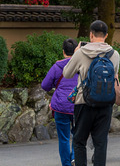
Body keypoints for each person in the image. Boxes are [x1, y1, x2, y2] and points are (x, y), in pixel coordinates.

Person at [64, 20, 120, 166]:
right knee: (101, 142)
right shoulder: (114, 54)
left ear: (90, 34)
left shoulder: (81, 53)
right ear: (106, 35)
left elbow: (67, 74)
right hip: (105, 103)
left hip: (84, 101)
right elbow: (115, 76)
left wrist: (75, 55)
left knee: (79, 141)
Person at [41, 38, 79, 166]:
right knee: (78, 135)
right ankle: (75, 157)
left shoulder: (57, 67)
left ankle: (66, 164)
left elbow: (45, 85)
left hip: (61, 106)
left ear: (63, 52)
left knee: (63, 138)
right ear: (77, 51)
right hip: (78, 105)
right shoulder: (82, 65)